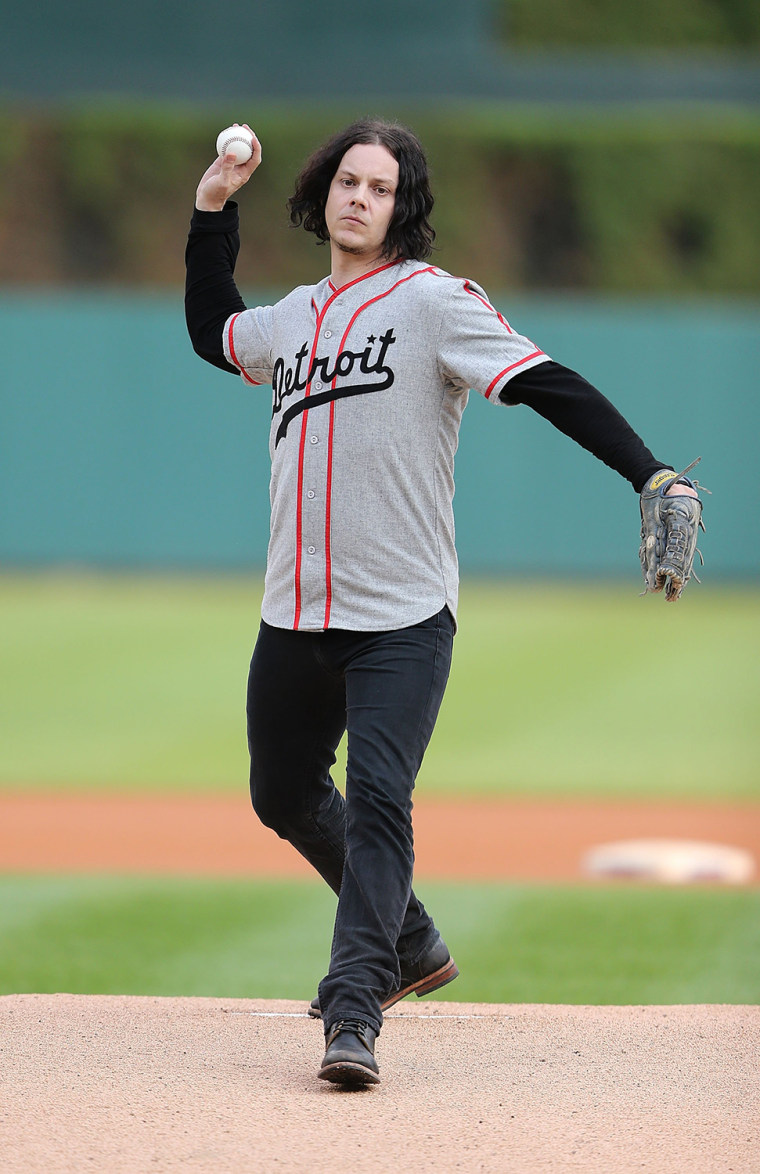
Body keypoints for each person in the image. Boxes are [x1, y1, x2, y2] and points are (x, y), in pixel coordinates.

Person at [185, 118, 701, 1087]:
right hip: (293, 610)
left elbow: (549, 383)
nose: (357, 197)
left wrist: (649, 472)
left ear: (400, 208)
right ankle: (411, 938)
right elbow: (215, 332)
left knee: (380, 798)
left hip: (402, 617)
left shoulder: (434, 304)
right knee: (280, 791)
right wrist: (212, 205)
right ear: (322, 193)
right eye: (346, 180)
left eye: (378, 187)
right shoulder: (292, 315)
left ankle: (353, 1010)